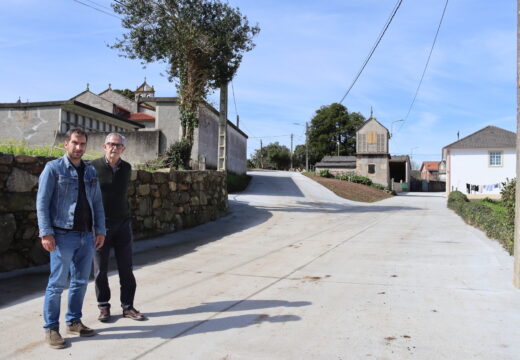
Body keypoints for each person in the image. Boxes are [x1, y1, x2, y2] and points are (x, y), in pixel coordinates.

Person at [37, 128, 106, 349]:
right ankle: (51, 328)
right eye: (75, 143)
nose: (79, 148)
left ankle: (74, 321)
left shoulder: (90, 171)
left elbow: (97, 204)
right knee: (57, 284)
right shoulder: (53, 169)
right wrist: (46, 233)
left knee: (80, 282)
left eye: (83, 144)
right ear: (66, 143)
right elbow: (42, 203)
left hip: (86, 235)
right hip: (62, 236)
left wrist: (100, 230)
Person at [91, 133, 145, 322]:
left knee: (126, 268)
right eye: (111, 144)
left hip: (122, 224)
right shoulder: (92, 167)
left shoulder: (127, 168)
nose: (114, 147)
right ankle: (103, 306)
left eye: (118, 145)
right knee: (100, 269)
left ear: (123, 149)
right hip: (100, 226)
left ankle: (128, 306)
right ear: (104, 146)